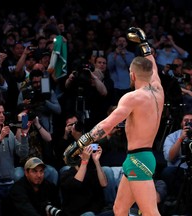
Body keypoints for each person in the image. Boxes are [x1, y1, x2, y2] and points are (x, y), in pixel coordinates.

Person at [63, 27, 164, 216]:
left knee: (150, 212)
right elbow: (152, 65)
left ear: (131, 74)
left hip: (138, 159)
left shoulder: (132, 97)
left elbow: (107, 125)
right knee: (119, 209)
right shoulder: (158, 89)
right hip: (140, 157)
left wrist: (80, 143)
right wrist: (144, 45)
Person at [60, 145, 113, 216]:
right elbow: (76, 184)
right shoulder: (66, 174)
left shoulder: (90, 171)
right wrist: (84, 162)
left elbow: (104, 184)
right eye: (81, 153)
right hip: (79, 213)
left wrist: (96, 161)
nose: (84, 155)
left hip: (97, 211)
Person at [161, 112, 192, 199]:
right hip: (179, 169)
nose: (189, 123)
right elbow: (169, 157)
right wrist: (180, 139)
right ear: (182, 123)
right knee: (167, 172)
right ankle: (174, 199)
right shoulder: (172, 137)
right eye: (186, 121)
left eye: (191, 121)